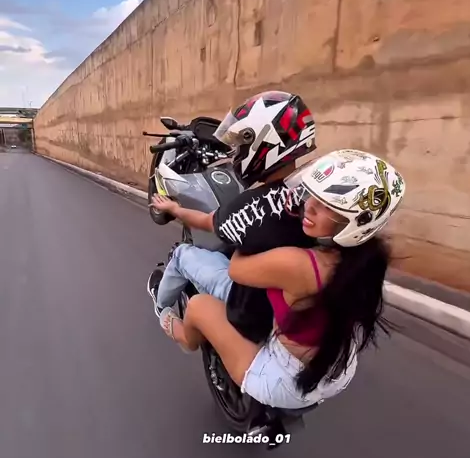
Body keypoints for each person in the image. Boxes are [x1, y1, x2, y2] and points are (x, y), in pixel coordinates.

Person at [157, 150, 406, 409]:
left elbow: (236, 270)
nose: (309, 206)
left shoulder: (298, 264)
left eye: (327, 206)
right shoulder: (368, 259)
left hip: (284, 381)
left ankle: (181, 333)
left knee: (198, 307)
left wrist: (254, 232)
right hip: (337, 370)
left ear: (356, 222)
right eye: (313, 194)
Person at [147, 90, 317, 345]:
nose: (237, 150)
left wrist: (174, 209)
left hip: (249, 309)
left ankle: (162, 308)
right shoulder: (314, 195)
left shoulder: (249, 206)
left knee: (182, 254)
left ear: (266, 145)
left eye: (244, 141)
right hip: (293, 307)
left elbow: (206, 221)